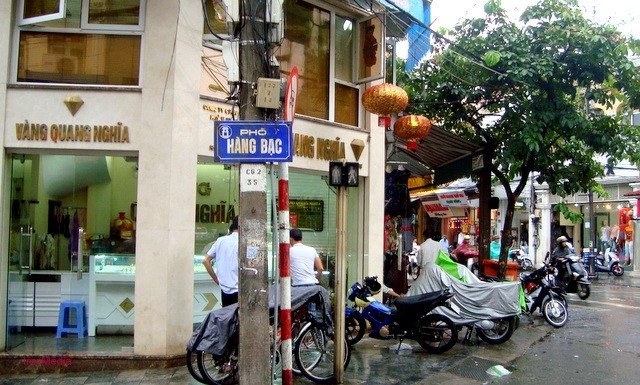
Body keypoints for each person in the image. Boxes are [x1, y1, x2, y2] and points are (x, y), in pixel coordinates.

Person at [203, 216, 239, 307]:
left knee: (226, 318)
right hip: (239, 290)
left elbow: (206, 260)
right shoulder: (243, 242)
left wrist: (216, 279)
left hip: (224, 289)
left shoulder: (220, 241)